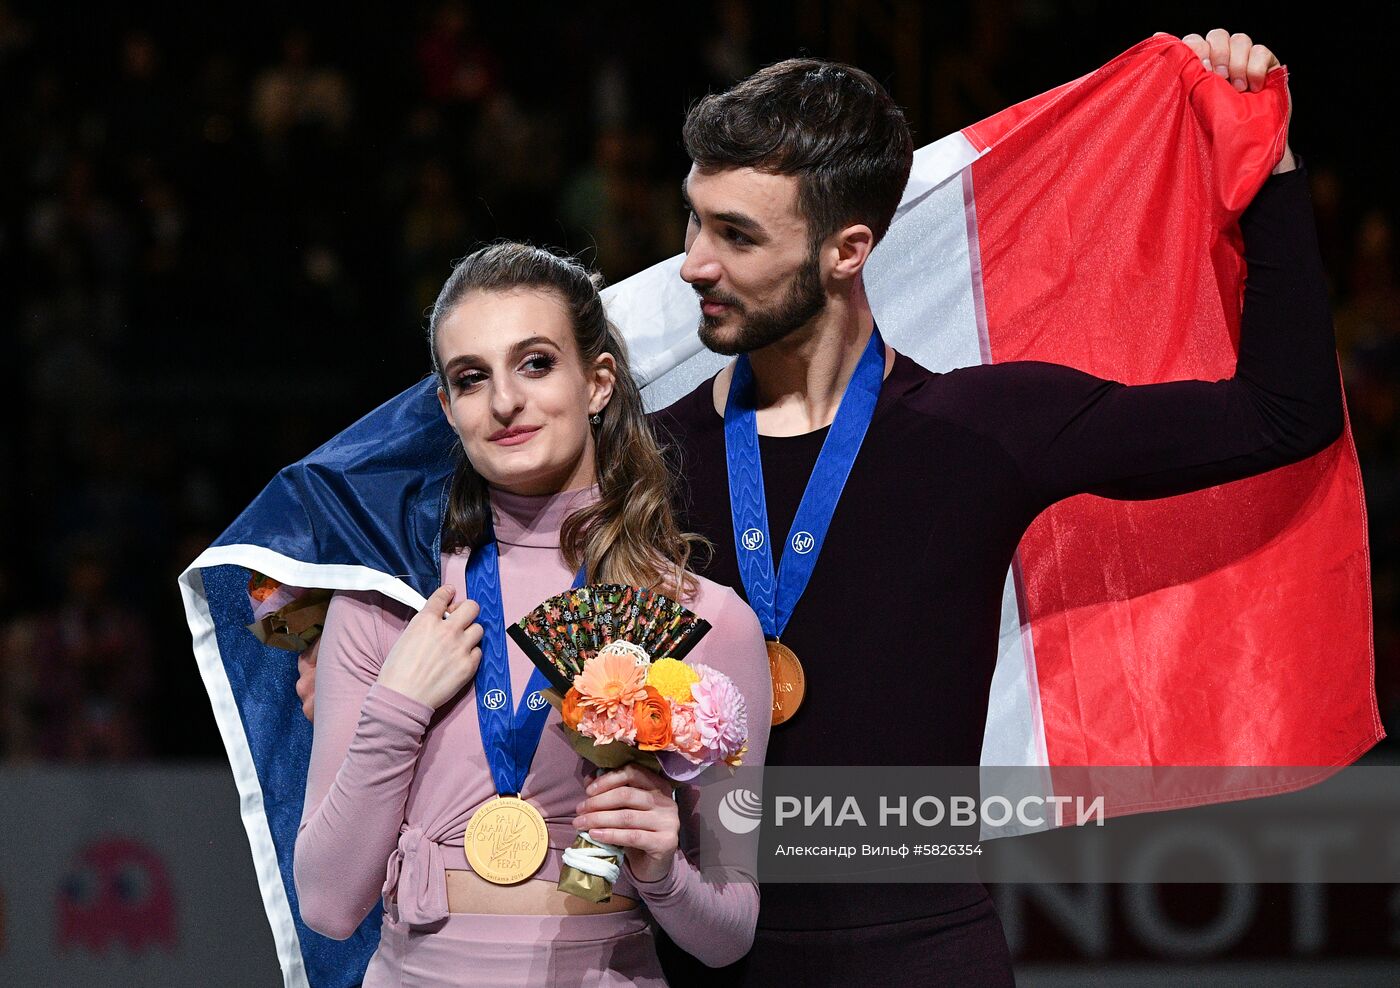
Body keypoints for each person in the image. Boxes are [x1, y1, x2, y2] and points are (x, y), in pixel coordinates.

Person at [645, 29, 1339, 986]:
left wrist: (1267, 164)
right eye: (694, 221)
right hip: (697, 959)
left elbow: (1283, 414)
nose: (692, 264)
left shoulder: (983, 432)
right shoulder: (643, 459)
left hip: (925, 960)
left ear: (850, 251)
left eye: (736, 235)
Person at [292, 242, 771, 986]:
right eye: (472, 378)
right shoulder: (390, 609)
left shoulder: (707, 621)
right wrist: (398, 705)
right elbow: (326, 903)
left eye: (537, 362)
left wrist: (662, 869)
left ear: (598, 381)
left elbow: (729, 934)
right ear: (449, 409)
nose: (505, 401)